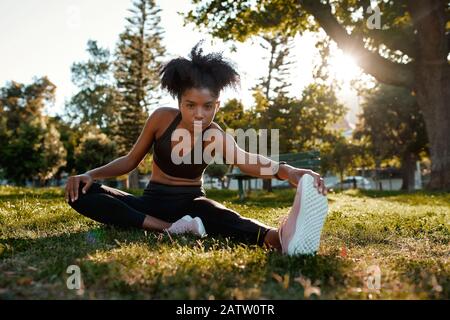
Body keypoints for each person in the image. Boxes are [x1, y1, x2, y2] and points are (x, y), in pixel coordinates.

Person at [65, 42, 328, 255]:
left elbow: (246, 160)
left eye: (208, 106)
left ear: (217, 105)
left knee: (217, 214)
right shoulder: (161, 119)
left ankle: (280, 237)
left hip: (192, 207)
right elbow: (131, 160)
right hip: (150, 204)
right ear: (179, 102)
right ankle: (171, 228)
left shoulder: (214, 135)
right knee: (82, 194)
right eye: (190, 105)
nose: (199, 114)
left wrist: (288, 171)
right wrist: (91, 175)